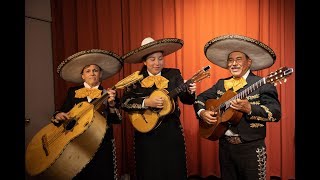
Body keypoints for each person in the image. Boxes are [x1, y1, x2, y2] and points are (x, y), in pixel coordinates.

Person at [193, 34, 281, 180]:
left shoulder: (263, 83)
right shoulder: (221, 83)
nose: (234, 63)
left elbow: (276, 113)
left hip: (251, 149)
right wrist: (202, 112)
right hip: (225, 148)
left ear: (249, 62)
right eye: (230, 60)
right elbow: (200, 98)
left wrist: (250, 109)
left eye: (238, 59)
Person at [121, 37, 196, 180]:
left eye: (160, 58)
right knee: (149, 170)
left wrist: (190, 91)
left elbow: (187, 100)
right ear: (144, 61)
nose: (157, 63)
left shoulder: (173, 74)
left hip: (171, 131)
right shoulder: (135, 79)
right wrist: (147, 102)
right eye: (152, 59)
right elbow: (125, 103)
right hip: (146, 133)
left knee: (174, 169)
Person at [51, 49, 123, 179]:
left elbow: (117, 120)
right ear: (82, 76)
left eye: (95, 70)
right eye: (88, 71)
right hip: (77, 144)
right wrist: (58, 116)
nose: (92, 73)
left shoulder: (108, 93)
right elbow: (62, 112)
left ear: (100, 74)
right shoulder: (73, 92)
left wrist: (112, 104)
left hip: (102, 143)